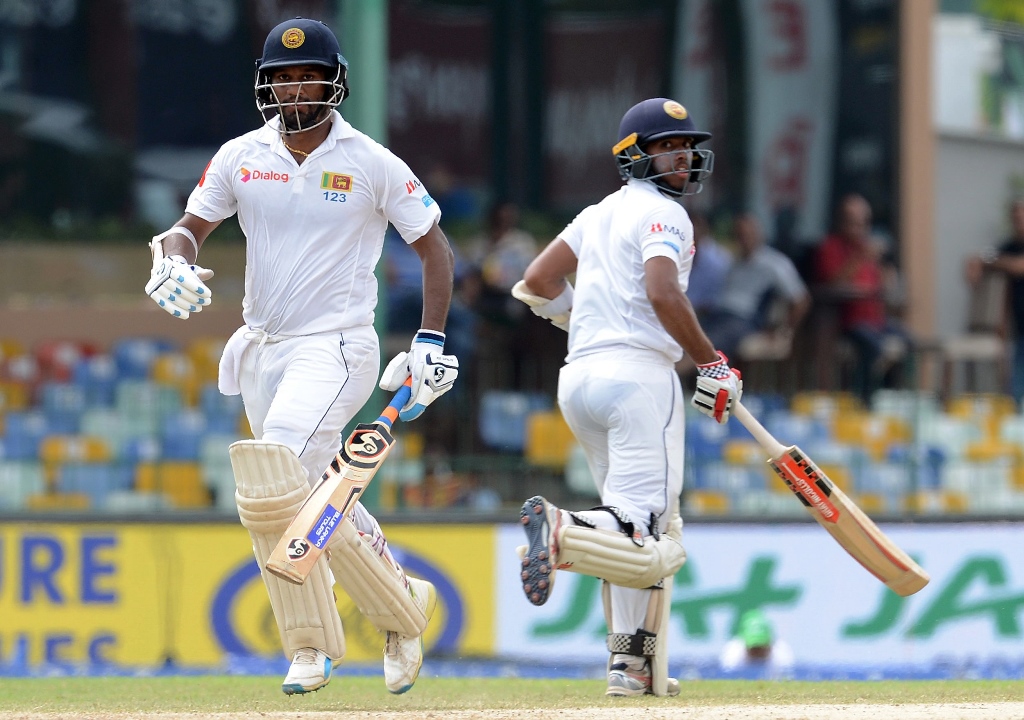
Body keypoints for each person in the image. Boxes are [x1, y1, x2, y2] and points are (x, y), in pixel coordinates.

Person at [143, 18, 459, 696]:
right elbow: (189, 229)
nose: (293, 87)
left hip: (337, 345)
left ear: (333, 80)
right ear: (266, 85)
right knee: (314, 490)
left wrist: (429, 340)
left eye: (306, 75)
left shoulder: (372, 161)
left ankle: (310, 646)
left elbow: (435, 249)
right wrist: (172, 259)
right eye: (281, 77)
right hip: (263, 348)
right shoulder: (240, 155)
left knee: (273, 474)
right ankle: (403, 604)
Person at [510, 98, 742, 697]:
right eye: (669, 145)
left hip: (580, 379)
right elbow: (663, 292)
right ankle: (561, 526)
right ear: (635, 155)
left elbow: (536, 280)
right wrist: (712, 362)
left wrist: (576, 318)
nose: (685, 156)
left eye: (687, 145)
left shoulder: (596, 213)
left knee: (633, 524)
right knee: (643, 526)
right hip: (638, 380)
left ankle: (629, 665)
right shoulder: (666, 215)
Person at [814, 194, 910, 400]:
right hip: (848, 321)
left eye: (864, 223)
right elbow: (833, 283)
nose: (859, 229)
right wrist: (859, 258)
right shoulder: (831, 247)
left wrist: (888, 275)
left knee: (910, 343)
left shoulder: (870, 250)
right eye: (854, 223)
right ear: (842, 222)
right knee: (874, 347)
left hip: (876, 319)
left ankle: (896, 398)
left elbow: (883, 288)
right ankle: (865, 401)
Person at [698, 213, 810, 360]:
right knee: (687, 337)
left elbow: (801, 301)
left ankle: (679, 374)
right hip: (718, 315)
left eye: (748, 234)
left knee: (704, 346)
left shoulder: (775, 264)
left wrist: (783, 331)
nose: (744, 239)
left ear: (759, 234)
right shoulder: (733, 262)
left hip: (745, 320)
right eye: (739, 235)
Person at [966, 198, 1024, 402]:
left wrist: (991, 262)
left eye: (1021, 215)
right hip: (1017, 326)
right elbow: (980, 261)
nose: (1018, 221)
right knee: (1015, 383)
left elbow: (1019, 266)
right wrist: (977, 263)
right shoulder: (1009, 246)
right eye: (1015, 217)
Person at [719, 609, 794, 678]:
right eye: (754, 648)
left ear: (771, 643)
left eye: (762, 647)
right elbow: (727, 674)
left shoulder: (781, 652)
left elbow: (789, 675)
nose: (757, 652)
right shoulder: (733, 651)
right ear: (743, 643)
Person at [685, 210, 732, 315]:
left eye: (697, 227)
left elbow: (717, 299)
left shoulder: (719, 260)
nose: (693, 232)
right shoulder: (674, 253)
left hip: (709, 315)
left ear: (704, 230)